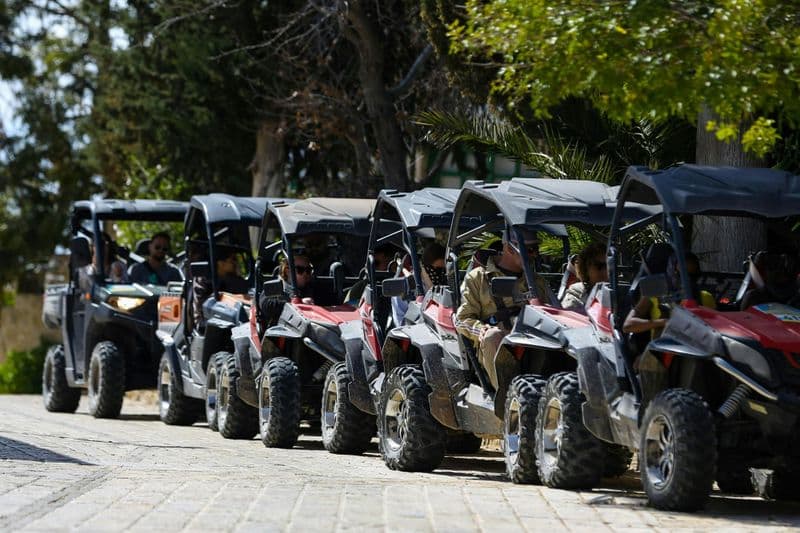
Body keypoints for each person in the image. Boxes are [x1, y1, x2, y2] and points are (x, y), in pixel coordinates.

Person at [455, 227, 548, 391]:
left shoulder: (536, 281)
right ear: (510, 248)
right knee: (493, 336)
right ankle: (506, 397)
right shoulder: (478, 278)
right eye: (530, 249)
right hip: (497, 345)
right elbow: (461, 319)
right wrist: (481, 331)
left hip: (532, 342)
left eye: (536, 249)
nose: (535, 254)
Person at [623, 251, 715, 337]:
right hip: (661, 350)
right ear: (672, 271)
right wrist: (664, 322)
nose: (686, 280)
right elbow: (628, 326)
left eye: (690, 274)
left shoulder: (706, 297)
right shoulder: (655, 293)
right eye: (681, 274)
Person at [391, 242, 446, 326]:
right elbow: (400, 322)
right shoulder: (407, 284)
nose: (438, 273)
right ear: (425, 266)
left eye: (442, 269)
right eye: (437, 268)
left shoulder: (445, 283)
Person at [561, 242, 608, 311]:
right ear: (586, 268)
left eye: (609, 265)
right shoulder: (577, 292)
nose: (605, 270)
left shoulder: (618, 294)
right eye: (599, 266)